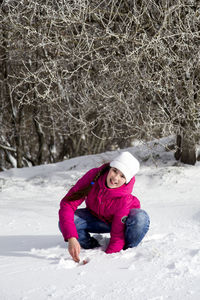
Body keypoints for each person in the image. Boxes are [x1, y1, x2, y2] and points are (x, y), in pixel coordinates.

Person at [59, 151, 150, 262]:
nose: (115, 178)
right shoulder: (93, 176)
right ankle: (90, 246)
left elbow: (117, 234)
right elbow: (68, 203)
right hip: (96, 217)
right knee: (67, 222)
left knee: (141, 217)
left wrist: (106, 260)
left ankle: (127, 249)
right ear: (110, 168)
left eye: (122, 176)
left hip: (122, 224)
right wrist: (72, 237)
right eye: (115, 171)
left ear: (127, 180)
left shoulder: (124, 199)